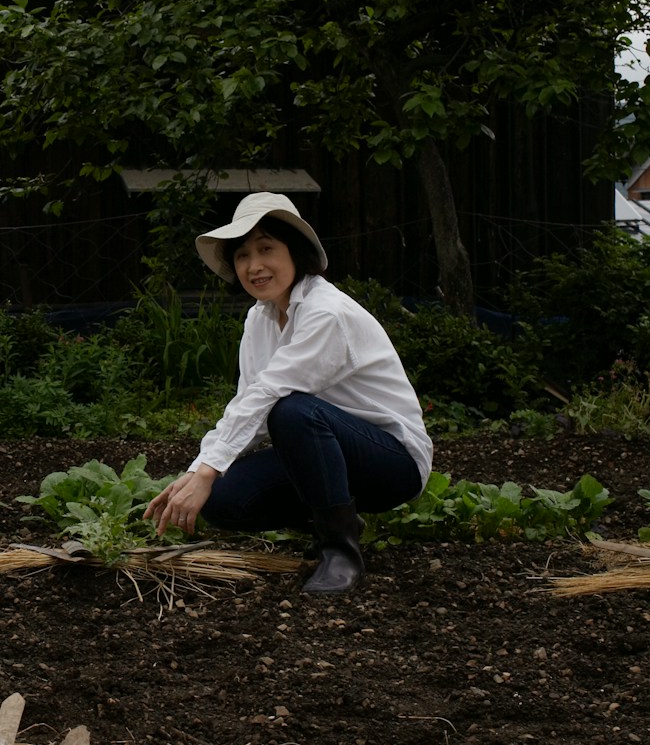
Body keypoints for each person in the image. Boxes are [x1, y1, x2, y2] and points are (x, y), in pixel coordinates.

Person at [142, 193, 432, 594]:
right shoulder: (259, 319)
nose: (254, 265)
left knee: (293, 412)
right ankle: (335, 515)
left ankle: (340, 552)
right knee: (223, 500)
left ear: (295, 252)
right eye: (242, 255)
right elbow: (248, 402)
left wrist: (207, 468)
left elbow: (271, 393)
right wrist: (199, 474)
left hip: (392, 461)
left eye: (266, 249)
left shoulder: (326, 312)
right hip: (325, 451)